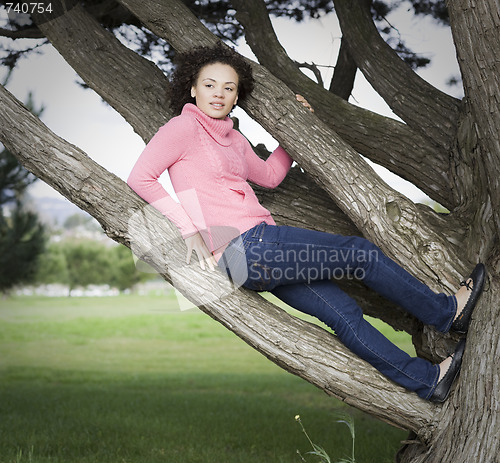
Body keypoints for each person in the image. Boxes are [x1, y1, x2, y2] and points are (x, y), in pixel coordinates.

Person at [127, 43, 486, 403]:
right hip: (248, 247)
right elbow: (141, 177)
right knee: (358, 253)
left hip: (253, 258)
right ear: (192, 88)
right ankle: (445, 312)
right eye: (209, 84)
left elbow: (268, 176)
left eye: (228, 87)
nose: (218, 94)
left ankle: (427, 380)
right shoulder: (182, 127)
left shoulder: (233, 138)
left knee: (342, 313)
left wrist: (294, 133)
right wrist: (188, 229)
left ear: (237, 96)